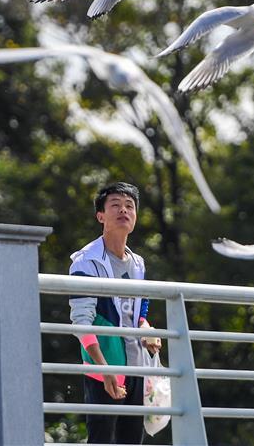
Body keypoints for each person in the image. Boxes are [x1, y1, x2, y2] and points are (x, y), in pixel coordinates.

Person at [69, 182, 162, 444]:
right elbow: (81, 321)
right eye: (115, 205)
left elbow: (138, 312)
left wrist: (147, 329)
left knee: (132, 440)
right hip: (103, 365)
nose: (123, 210)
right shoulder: (86, 260)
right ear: (101, 216)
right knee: (101, 439)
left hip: (136, 366)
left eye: (129, 206)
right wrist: (105, 369)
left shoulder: (138, 263)